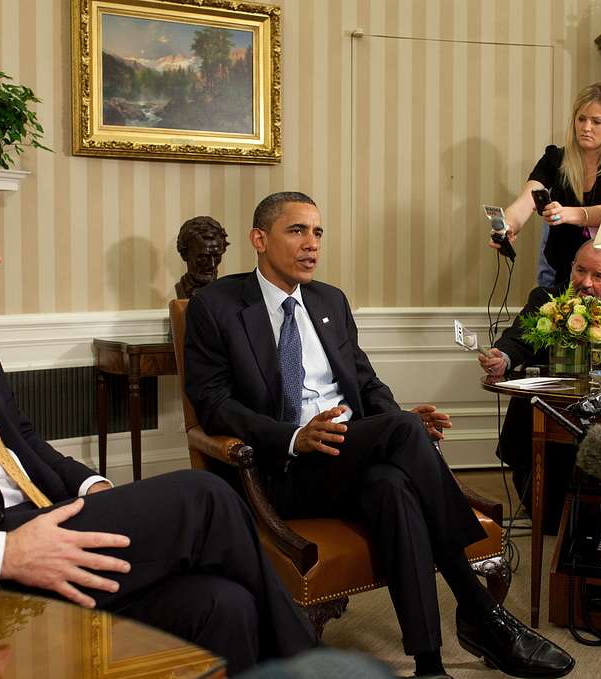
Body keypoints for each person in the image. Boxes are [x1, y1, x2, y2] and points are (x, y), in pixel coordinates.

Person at [0, 163, 316, 675]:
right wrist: (6, 552)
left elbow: (19, 440)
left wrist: (91, 487)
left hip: (41, 519)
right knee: (204, 496)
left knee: (224, 603)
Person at [185, 191, 575, 679]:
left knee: (393, 487)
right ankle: (479, 609)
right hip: (281, 467)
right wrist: (293, 436)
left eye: (318, 232)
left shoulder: (329, 300)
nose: (312, 245)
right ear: (259, 239)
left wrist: (400, 423)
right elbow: (214, 406)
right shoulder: (215, 306)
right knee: (400, 444)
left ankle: (430, 666)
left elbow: (366, 383)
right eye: (297, 231)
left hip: (347, 454)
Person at [478, 241, 601, 522]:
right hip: (541, 426)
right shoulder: (544, 298)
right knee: (549, 519)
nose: (586, 283)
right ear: (571, 269)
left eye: (598, 276)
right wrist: (503, 357)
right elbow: (518, 338)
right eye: (580, 271)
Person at [491, 81, 601, 303]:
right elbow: (525, 201)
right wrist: (508, 226)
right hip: (565, 272)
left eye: (596, 121)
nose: (586, 127)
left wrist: (569, 214)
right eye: (581, 119)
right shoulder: (555, 159)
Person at [175, 215, 230, 299]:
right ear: (185, 254)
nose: (212, 265)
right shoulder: (181, 289)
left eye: (216, 257)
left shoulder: (224, 292)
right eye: (203, 258)